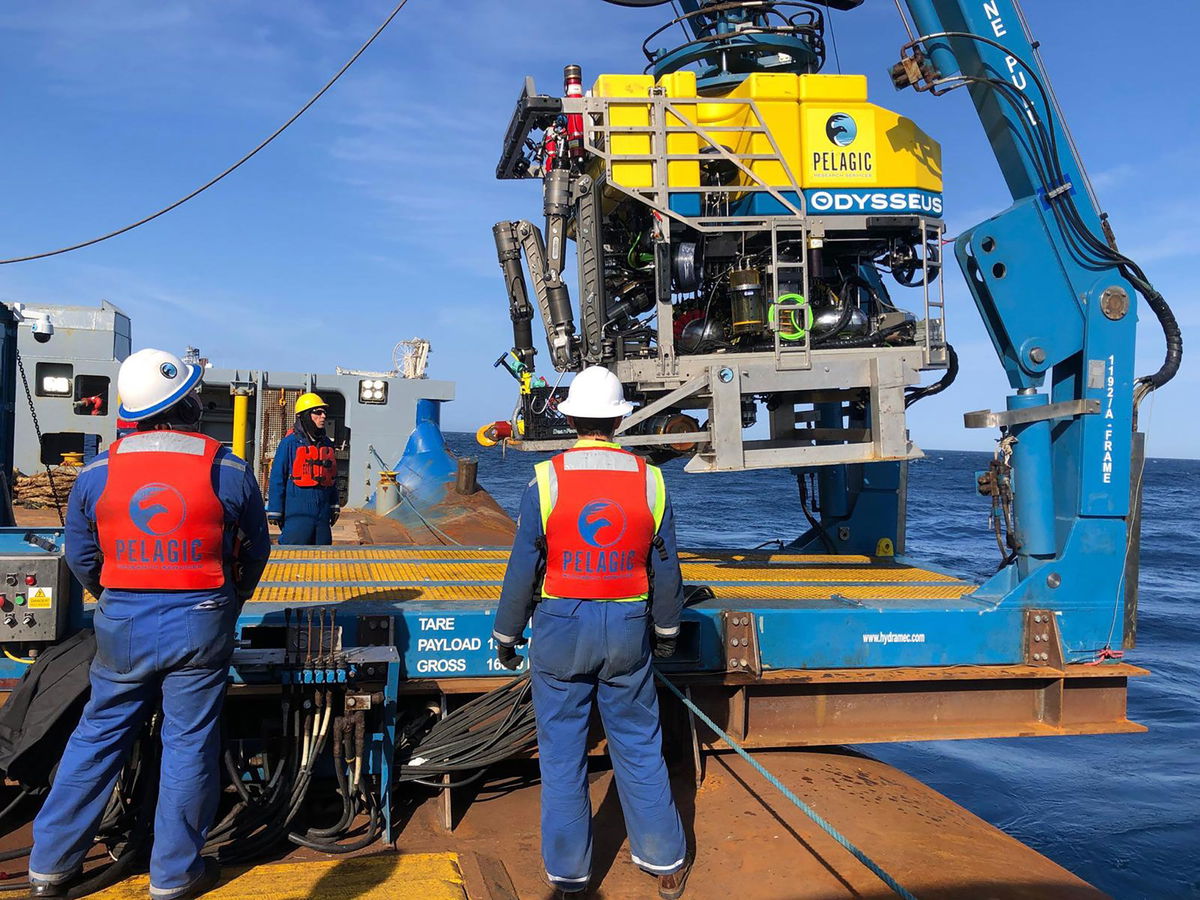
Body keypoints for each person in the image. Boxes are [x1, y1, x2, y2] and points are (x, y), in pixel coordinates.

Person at [28, 348, 272, 899]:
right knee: (189, 745)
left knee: (97, 736)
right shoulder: (228, 468)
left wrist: (114, 595)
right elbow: (254, 552)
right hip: (201, 622)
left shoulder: (96, 472)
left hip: (123, 623)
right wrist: (228, 604)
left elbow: (81, 556)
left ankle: (49, 868)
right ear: (187, 404)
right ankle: (174, 877)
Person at [492, 366, 693, 899]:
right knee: (639, 744)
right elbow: (667, 567)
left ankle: (570, 877)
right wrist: (667, 630)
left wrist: (506, 635)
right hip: (628, 628)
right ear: (620, 418)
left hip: (561, 626)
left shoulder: (546, 479)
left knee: (562, 756)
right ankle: (665, 862)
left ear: (572, 418)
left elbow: (522, 567)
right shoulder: (650, 479)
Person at [267, 392, 340, 545]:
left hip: (322, 513)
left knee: (323, 555)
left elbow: (332, 477)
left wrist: (334, 505)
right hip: (297, 512)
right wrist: (275, 510)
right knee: (292, 553)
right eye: (318, 412)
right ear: (305, 416)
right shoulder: (289, 443)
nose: (323, 416)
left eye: (324, 412)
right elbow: (277, 477)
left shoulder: (326, 444)